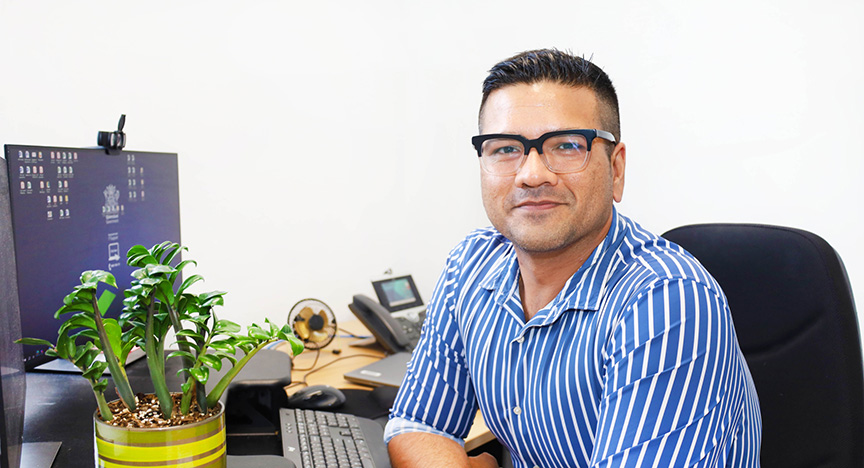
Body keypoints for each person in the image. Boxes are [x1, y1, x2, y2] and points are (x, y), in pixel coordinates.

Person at [384, 49, 762, 467]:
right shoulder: (471, 262)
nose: (531, 174)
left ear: (616, 170)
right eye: (505, 149)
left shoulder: (666, 301)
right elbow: (416, 423)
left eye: (566, 145)